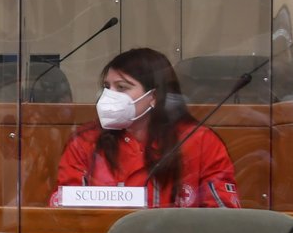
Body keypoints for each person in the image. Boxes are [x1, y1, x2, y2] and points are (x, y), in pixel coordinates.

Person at [50, 46, 240, 207]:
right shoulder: (85, 141)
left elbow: (222, 223)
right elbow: (66, 216)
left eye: (122, 87)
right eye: (107, 87)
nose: (109, 96)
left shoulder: (200, 142)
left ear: (154, 97)